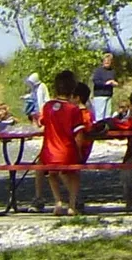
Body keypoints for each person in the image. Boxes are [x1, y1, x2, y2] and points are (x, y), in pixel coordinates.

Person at [33, 70, 88, 216]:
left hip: (49, 153)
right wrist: (79, 152)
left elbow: (42, 122)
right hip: (67, 151)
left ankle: (57, 202)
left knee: (52, 172)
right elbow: (79, 135)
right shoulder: (73, 109)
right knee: (74, 174)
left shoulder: (47, 107)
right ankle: (72, 205)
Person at [89, 52, 117, 122]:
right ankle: (99, 131)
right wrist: (105, 83)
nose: (107, 62)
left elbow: (115, 80)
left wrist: (114, 83)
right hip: (100, 96)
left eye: (108, 61)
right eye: (105, 61)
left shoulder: (112, 71)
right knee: (100, 117)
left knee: (108, 116)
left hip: (109, 95)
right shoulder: (98, 71)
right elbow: (95, 81)